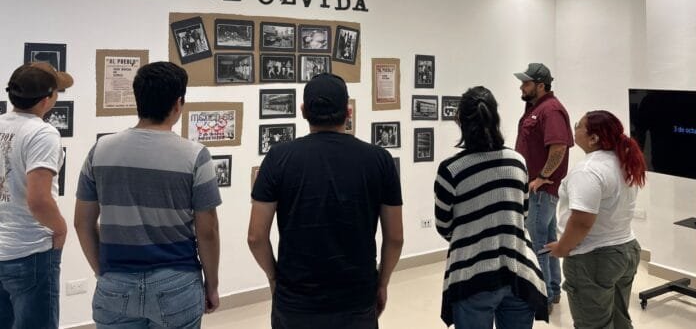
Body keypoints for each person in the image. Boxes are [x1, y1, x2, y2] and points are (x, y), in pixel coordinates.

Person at [249, 73, 403, 329]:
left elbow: (255, 237)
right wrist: (382, 282)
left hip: (296, 301)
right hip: (356, 298)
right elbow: (395, 237)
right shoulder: (380, 160)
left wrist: (274, 278)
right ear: (348, 112)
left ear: (303, 111)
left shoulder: (278, 158)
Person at [74, 61, 222, 328]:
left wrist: (103, 272)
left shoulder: (100, 150)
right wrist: (212, 284)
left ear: (138, 100)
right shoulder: (195, 156)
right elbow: (207, 231)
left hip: (115, 280)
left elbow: (82, 223)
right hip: (177, 282)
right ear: (178, 103)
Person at [434, 86, 548, 328]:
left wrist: (473, 234)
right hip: (520, 272)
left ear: (460, 121)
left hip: (472, 275)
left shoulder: (451, 170)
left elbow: (444, 226)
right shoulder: (517, 162)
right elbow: (522, 214)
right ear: (496, 117)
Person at [547, 110, 646, 329]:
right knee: (620, 320)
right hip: (626, 250)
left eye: (578, 125)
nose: (574, 129)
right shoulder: (622, 162)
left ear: (593, 138)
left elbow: (582, 221)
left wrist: (563, 247)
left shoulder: (587, 170)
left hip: (594, 258)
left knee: (593, 325)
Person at [0, 62, 74, 329]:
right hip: (29, 250)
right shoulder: (42, 133)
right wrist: (61, 228)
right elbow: (39, 200)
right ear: (47, 99)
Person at [513, 62, 573, 312]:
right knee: (548, 241)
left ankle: (543, 298)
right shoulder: (536, 108)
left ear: (540, 85)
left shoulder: (551, 110)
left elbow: (558, 147)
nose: (521, 87)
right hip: (539, 191)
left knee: (536, 243)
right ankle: (554, 291)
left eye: (526, 83)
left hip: (540, 191)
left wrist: (541, 177)